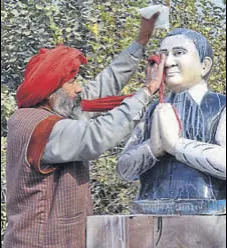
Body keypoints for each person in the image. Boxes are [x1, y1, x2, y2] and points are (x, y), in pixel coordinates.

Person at [3, 12, 166, 248]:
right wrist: (147, 91)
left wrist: (140, 42)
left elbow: (101, 87)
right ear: (51, 90)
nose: (79, 88)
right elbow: (96, 136)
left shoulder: (45, 112)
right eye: (71, 82)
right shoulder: (44, 128)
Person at [117, 28, 226, 216]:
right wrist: (152, 148)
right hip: (150, 214)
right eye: (163, 54)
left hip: (209, 217)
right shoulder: (153, 110)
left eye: (179, 53)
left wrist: (176, 145)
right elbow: (124, 169)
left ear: (204, 65)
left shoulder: (220, 106)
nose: (167, 62)